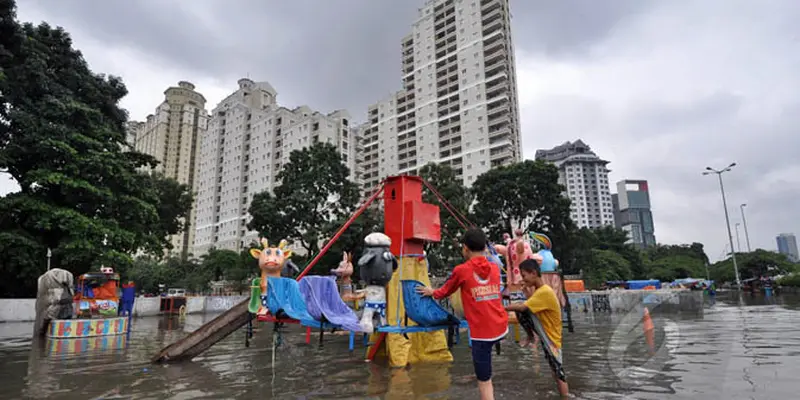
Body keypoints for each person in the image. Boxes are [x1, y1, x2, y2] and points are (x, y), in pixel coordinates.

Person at [417, 228, 508, 400]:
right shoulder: (495, 268)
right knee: (485, 366)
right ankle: (481, 374)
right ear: (485, 247)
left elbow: (445, 290)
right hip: (500, 326)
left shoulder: (462, 270)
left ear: (465, 248)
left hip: (482, 334)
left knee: (485, 381)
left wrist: (432, 292)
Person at [505, 259, 569, 397]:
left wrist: (500, 308)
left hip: (551, 339)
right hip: (545, 334)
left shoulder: (544, 292)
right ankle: (531, 336)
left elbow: (523, 306)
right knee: (555, 370)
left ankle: (566, 397)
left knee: (558, 372)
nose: (523, 279)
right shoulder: (540, 290)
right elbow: (530, 303)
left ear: (534, 273)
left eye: (524, 276)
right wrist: (526, 289)